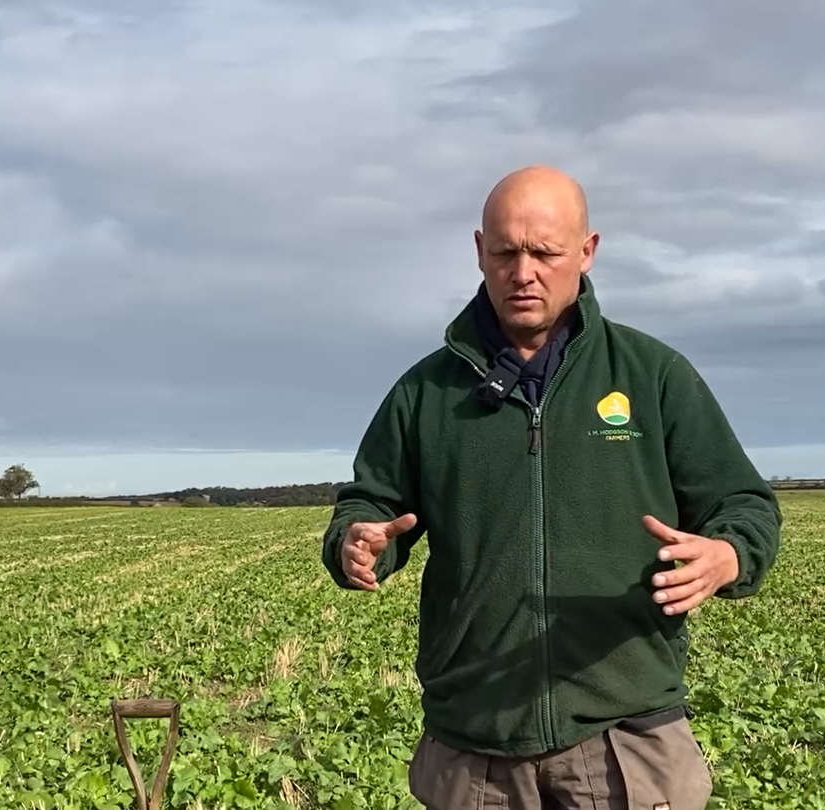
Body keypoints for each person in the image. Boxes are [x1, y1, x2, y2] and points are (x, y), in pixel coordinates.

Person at [321, 165, 782, 809]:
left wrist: (728, 554)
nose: (523, 272)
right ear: (479, 251)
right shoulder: (425, 392)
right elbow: (371, 502)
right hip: (474, 742)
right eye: (505, 252)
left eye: (545, 252)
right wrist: (358, 541)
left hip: (626, 734)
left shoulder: (653, 376)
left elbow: (742, 503)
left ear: (587, 251)